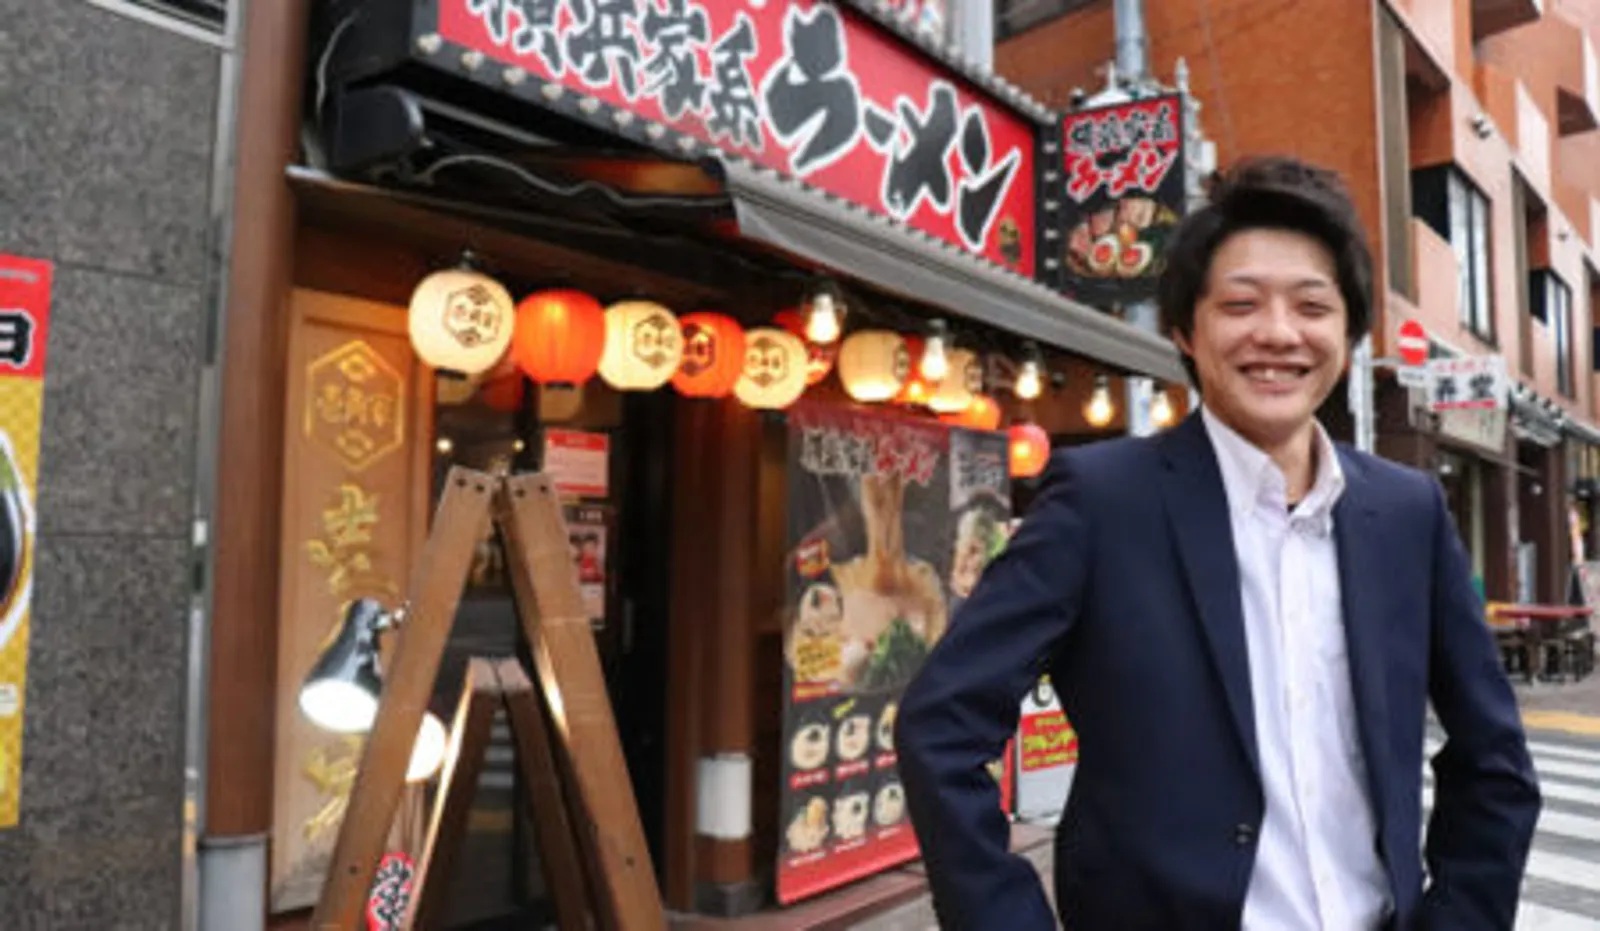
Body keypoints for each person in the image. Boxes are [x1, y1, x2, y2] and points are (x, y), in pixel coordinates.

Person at [895, 155, 1541, 930]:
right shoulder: (1102, 502)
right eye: (1240, 303)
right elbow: (942, 725)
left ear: (1348, 331)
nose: (1277, 333)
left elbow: (1493, 758)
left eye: (1312, 305)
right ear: (1186, 332)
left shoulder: (1407, 512)